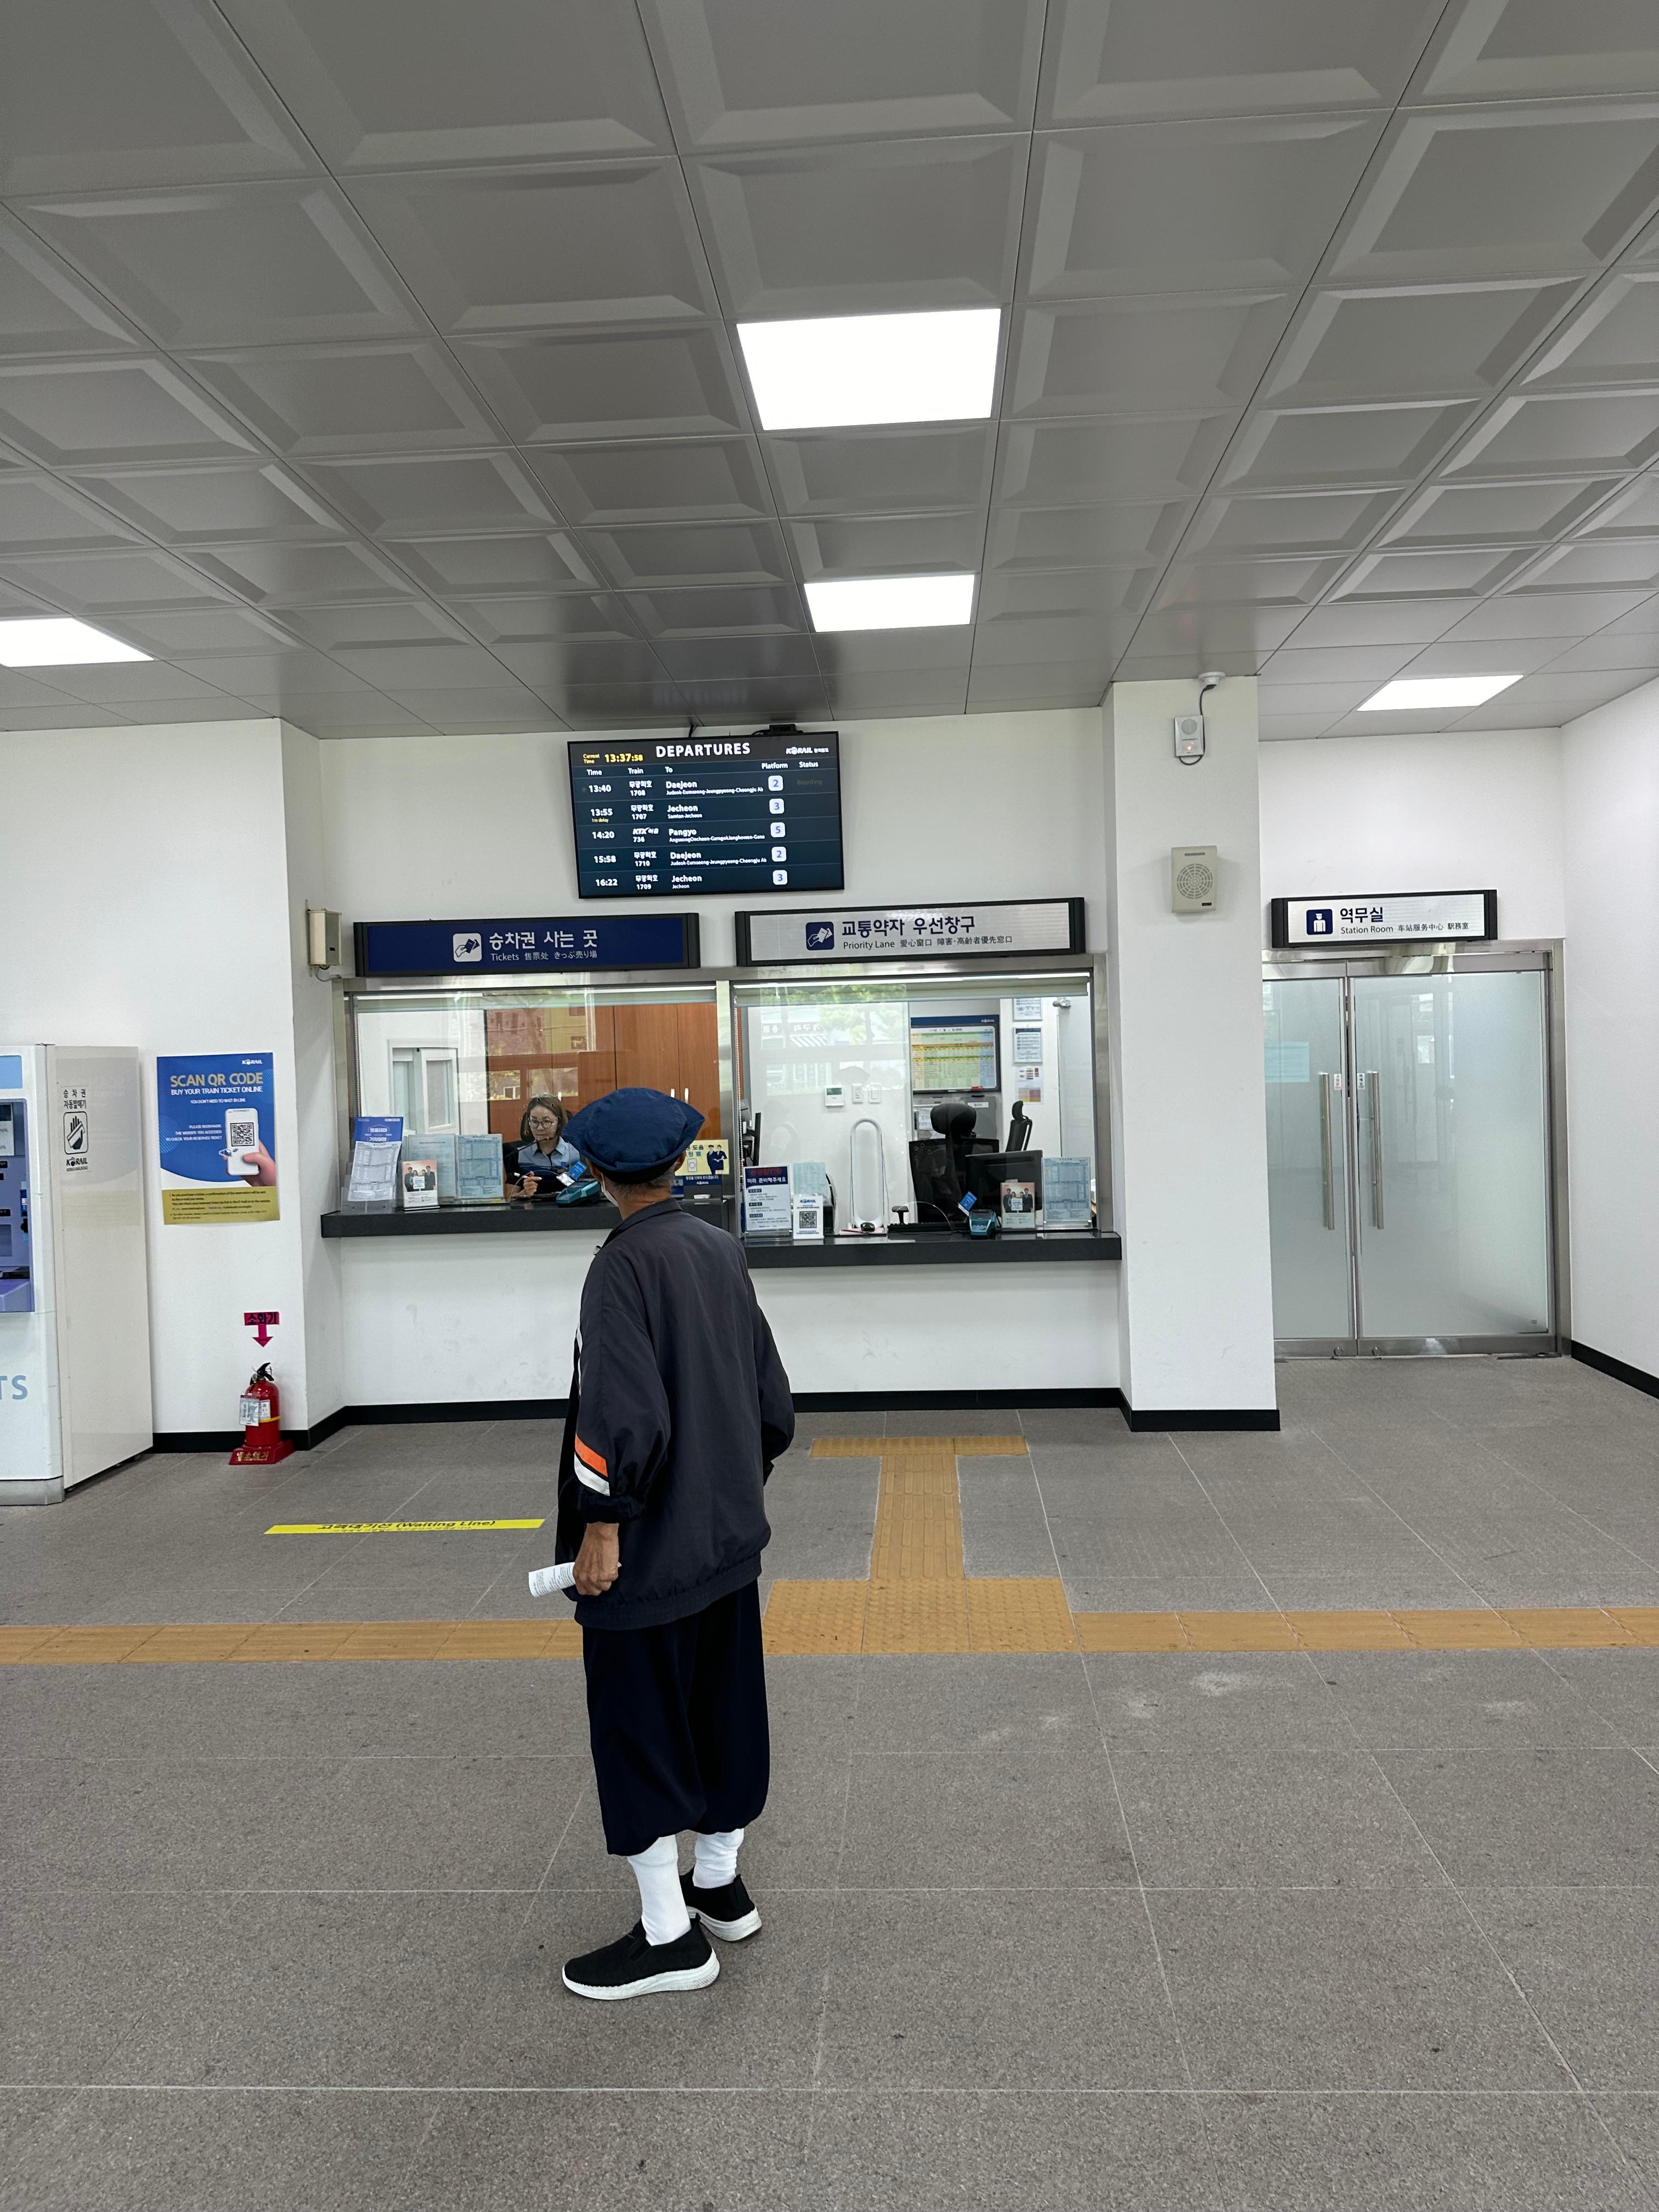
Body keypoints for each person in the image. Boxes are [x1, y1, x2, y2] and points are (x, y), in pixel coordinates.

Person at [550, 1086, 794, 2001]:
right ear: (681, 1161)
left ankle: (668, 1937)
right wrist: (726, 1493)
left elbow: (619, 1415)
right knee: (724, 1707)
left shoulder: (619, 1267)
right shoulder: (719, 1248)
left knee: (639, 1723)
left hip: (647, 1554)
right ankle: (720, 1885)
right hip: (726, 1539)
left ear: (594, 1171)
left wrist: (602, 1526)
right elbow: (772, 1404)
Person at [507, 1094, 583, 1199]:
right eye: (534, 1122)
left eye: (547, 1122)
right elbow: (510, 1199)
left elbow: (581, 1189)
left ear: (559, 1123)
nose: (540, 1128)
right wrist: (524, 1193)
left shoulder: (576, 1154)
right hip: (531, 1209)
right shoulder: (518, 1156)